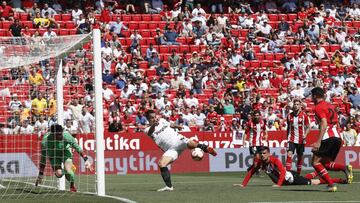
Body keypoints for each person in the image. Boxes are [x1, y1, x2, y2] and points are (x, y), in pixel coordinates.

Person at [144, 110, 217, 191]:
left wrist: (177, 126)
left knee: (190, 143)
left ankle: (206, 148)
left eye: (155, 117)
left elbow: (170, 124)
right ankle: (169, 187)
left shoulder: (162, 121)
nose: (154, 119)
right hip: (171, 149)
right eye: (152, 118)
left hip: (177, 140)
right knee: (161, 163)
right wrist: (154, 125)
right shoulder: (147, 129)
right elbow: (150, 133)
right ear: (147, 119)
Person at [234, 146, 349, 188]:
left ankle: (340, 180)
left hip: (292, 179)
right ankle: (318, 172)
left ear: (269, 153)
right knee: (310, 178)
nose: (262, 156)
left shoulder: (275, 160)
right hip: (287, 181)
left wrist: (278, 185)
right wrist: (243, 184)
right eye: (261, 154)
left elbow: (283, 173)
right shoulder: (261, 162)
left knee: (314, 182)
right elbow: (251, 172)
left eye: (264, 153)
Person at [310, 87, 353, 192]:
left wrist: (318, 141)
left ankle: (331, 185)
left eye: (312, 96)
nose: (311, 98)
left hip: (328, 137)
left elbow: (324, 123)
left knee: (315, 162)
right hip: (337, 137)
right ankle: (344, 168)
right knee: (325, 163)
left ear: (315, 96)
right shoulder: (330, 105)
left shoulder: (318, 107)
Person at [35, 124, 93, 192]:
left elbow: (77, 147)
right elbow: (43, 159)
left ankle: (72, 184)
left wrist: (86, 160)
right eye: (58, 134)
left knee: (69, 172)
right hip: (54, 155)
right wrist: (40, 174)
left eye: (61, 133)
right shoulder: (45, 142)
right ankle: (68, 170)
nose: (60, 136)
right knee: (59, 174)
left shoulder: (66, 135)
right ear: (53, 134)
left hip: (65, 151)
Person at [285, 99, 310, 174]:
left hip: (301, 139)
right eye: (295, 104)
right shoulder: (289, 116)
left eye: (297, 104)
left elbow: (308, 127)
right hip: (291, 139)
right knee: (289, 154)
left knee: (300, 157)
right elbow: (288, 127)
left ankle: (298, 173)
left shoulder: (304, 116)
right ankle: (287, 173)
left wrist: (305, 135)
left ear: (300, 106)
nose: (296, 106)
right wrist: (287, 138)